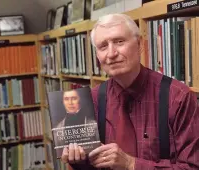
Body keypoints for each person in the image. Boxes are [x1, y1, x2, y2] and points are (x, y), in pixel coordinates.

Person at [61, 13, 199, 170]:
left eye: (119, 42)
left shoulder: (178, 98)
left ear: (139, 44)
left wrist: (130, 164)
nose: (111, 54)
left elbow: (192, 167)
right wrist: (77, 160)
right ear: (97, 56)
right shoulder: (90, 100)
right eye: (103, 46)